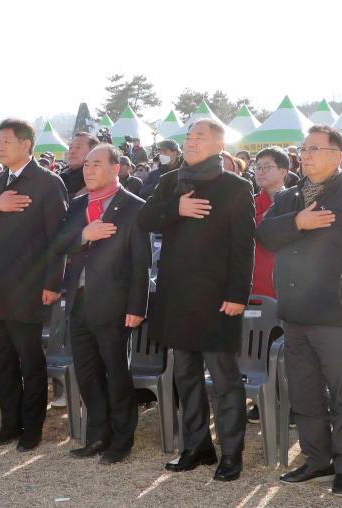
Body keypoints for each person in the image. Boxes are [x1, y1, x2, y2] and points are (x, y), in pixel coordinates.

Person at [257, 125, 342, 497]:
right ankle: (317, 460)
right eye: (304, 148)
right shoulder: (287, 200)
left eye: (316, 148)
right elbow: (265, 235)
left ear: (339, 155)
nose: (307, 154)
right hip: (295, 315)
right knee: (304, 394)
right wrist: (297, 223)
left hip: (340, 316)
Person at [137, 118, 255, 482]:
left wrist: (237, 295)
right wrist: (177, 209)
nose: (190, 141)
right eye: (188, 136)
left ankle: (231, 454)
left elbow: (243, 247)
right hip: (177, 297)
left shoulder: (236, 186)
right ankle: (196, 447)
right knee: (185, 378)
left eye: (199, 137)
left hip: (219, 300)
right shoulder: (171, 181)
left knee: (225, 381)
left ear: (219, 145)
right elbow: (144, 219)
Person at [0, 118, 69, 452]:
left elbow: (59, 239)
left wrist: (53, 283)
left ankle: (32, 426)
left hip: (27, 286)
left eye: (6, 140)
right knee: (2, 359)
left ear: (26, 144)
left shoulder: (48, 183)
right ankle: (10, 423)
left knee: (29, 360)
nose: (0, 145)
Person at [50, 144, 150, 464]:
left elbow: (141, 264)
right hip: (78, 302)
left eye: (96, 164)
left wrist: (137, 308)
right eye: (87, 164)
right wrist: (85, 234)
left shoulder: (134, 207)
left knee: (116, 372)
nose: (88, 169)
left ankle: (121, 439)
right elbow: (58, 243)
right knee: (88, 373)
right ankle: (97, 435)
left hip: (115, 304)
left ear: (115, 168)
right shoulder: (79, 204)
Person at [252, 147, 289, 298]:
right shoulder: (247, 204)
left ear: (283, 171)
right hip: (255, 286)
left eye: (266, 167)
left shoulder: (297, 202)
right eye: (257, 167)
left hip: (289, 286)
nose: (260, 171)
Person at [59, 132, 98, 197]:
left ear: (93, 152)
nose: (72, 151)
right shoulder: (61, 175)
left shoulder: (99, 178)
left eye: (78, 147)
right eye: (70, 147)